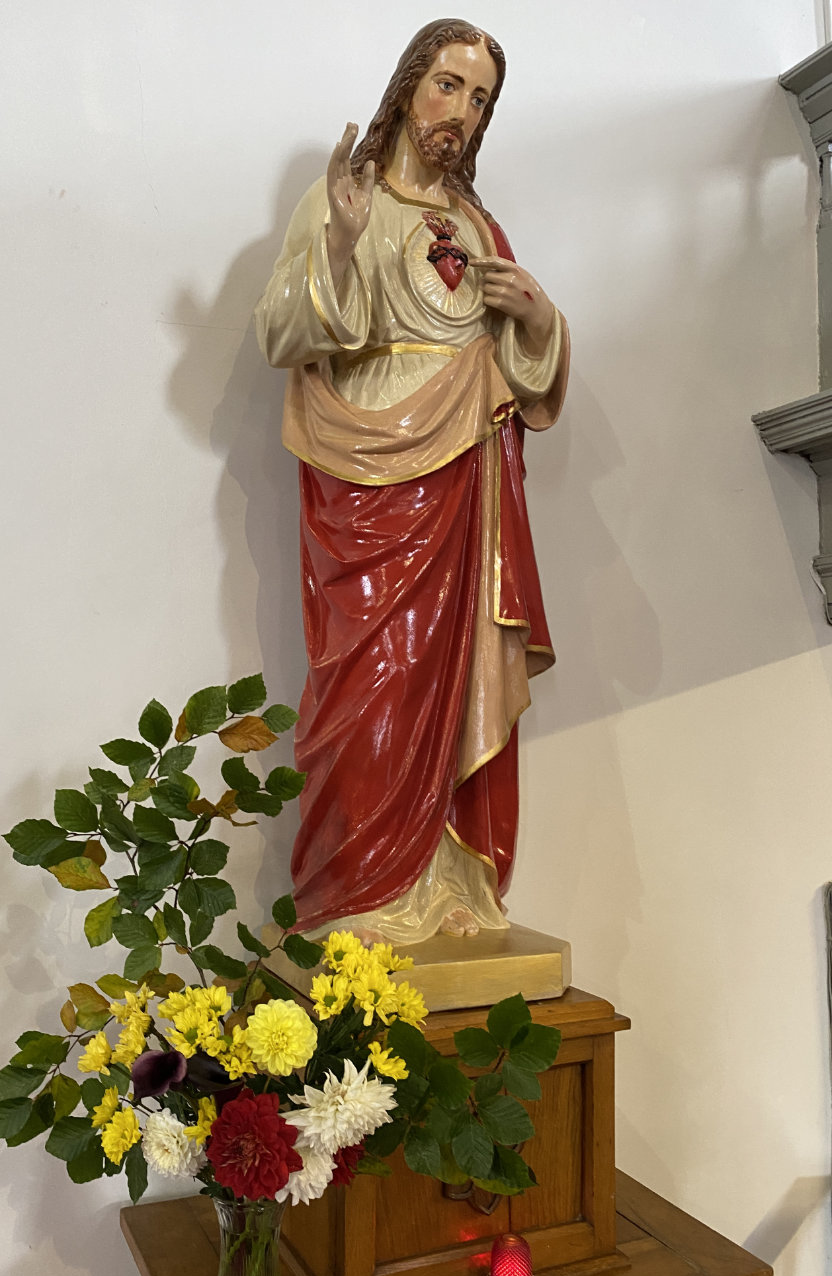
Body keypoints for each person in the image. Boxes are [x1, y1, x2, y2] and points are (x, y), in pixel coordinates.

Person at [255, 19, 569, 945]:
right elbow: (280, 333)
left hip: (466, 488)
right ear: (408, 87)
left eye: (479, 99)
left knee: (454, 676)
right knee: (371, 687)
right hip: (366, 487)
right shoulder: (344, 198)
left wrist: (538, 317)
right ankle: (359, 894)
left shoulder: (475, 226)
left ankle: (447, 886)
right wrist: (340, 245)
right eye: (448, 85)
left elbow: (521, 374)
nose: (460, 112)